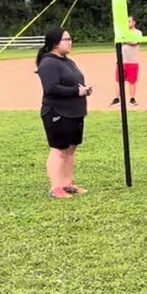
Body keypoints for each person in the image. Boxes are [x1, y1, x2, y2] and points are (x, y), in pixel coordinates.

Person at [36, 27, 92, 199]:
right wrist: (76, 91)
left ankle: (67, 184)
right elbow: (51, 88)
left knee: (71, 149)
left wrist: (83, 90)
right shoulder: (48, 63)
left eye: (70, 39)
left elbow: (73, 83)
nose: (70, 42)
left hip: (75, 111)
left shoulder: (68, 61)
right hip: (57, 111)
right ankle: (56, 188)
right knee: (59, 150)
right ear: (55, 43)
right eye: (66, 40)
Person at [111, 15, 142, 107]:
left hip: (133, 61)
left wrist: (125, 40)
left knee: (132, 81)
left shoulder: (138, 33)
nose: (127, 23)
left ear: (134, 22)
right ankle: (117, 99)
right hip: (122, 61)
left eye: (129, 21)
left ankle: (132, 99)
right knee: (118, 80)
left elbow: (135, 42)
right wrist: (124, 39)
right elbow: (117, 42)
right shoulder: (122, 33)